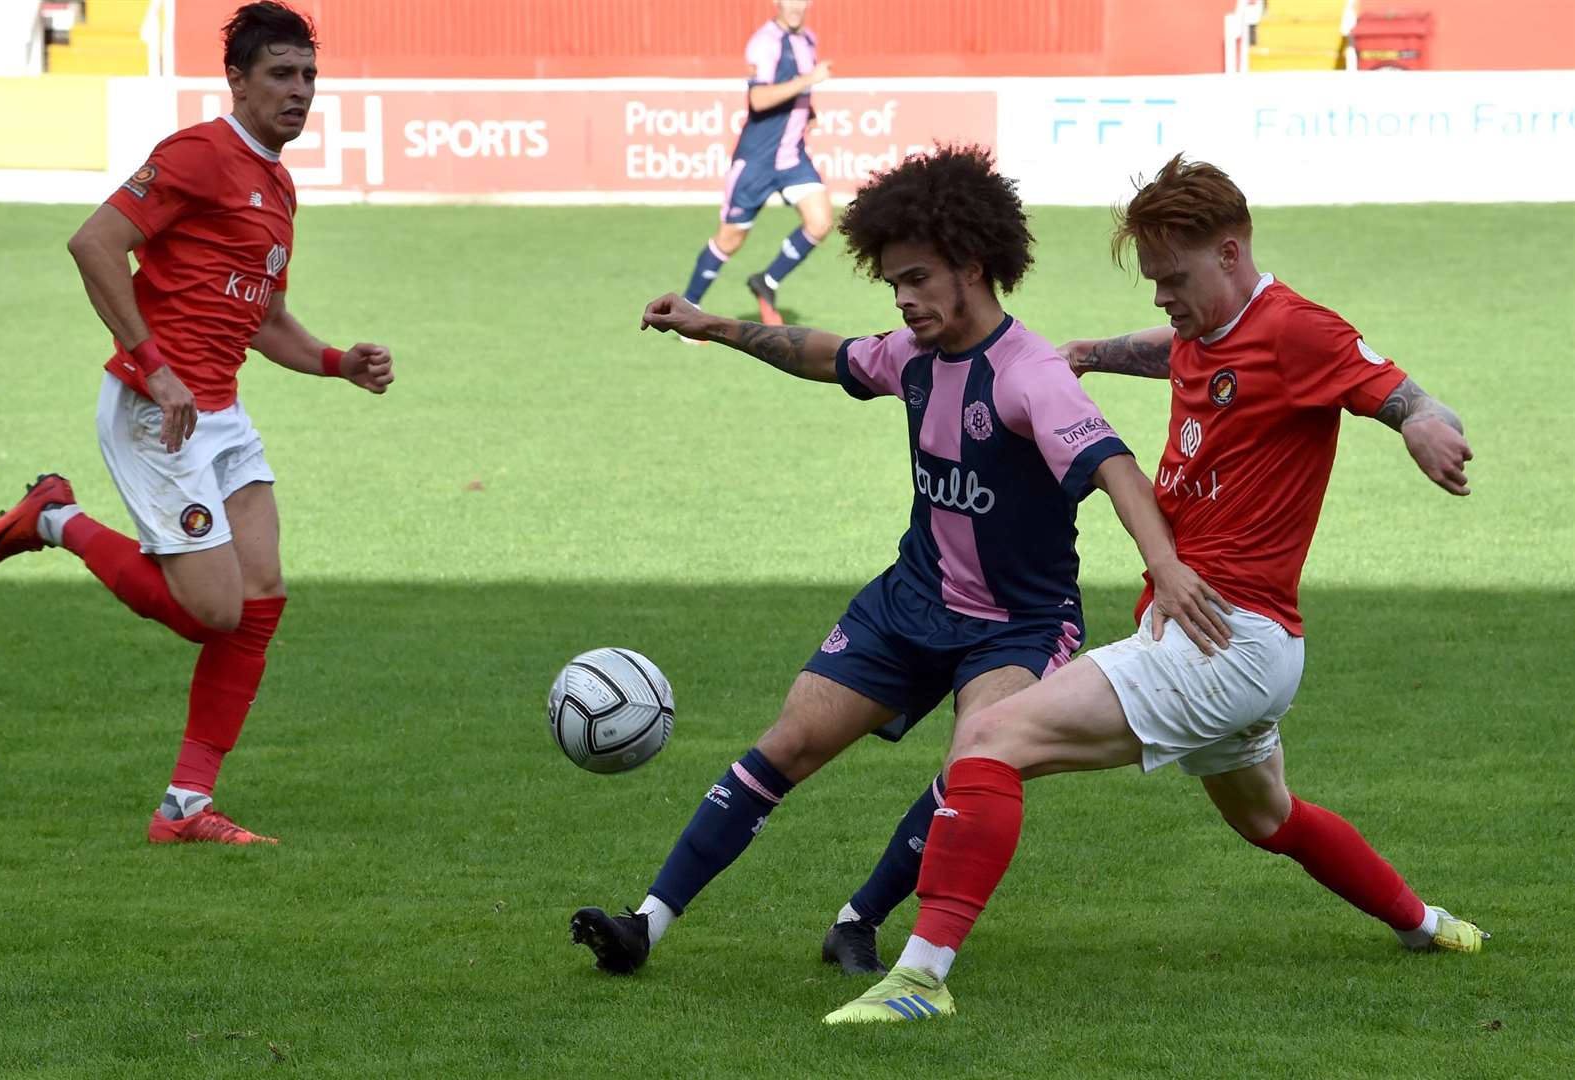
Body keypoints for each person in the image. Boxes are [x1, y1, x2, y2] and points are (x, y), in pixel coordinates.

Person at [824, 154, 1484, 1025]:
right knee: (1269, 818)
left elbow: (1404, 394)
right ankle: (1425, 923)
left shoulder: (1298, 330)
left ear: (1232, 252)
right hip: (1241, 643)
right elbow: (1173, 350)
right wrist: (1093, 353)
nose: (1162, 296)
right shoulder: (1209, 331)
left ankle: (918, 978)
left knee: (986, 739)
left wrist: (1428, 431)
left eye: (1173, 278)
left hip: (1222, 639)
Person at [571, 145, 1232, 976]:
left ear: (973, 264)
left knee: (977, 759)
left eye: (919, 278)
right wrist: (717, 327)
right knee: (790, 744)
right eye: (893, 284)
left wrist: (1163, 567)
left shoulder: (1033, 379)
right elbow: (828, 354)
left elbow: (1117, 470)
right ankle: (645, 923)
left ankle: (860, 919)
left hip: (1016, 627)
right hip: (912, 599)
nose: (904, 298)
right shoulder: (912, 357)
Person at [0, 1, 394, 845]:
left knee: (262, 596)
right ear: (235, 80)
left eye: (309, 75)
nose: (300, 90)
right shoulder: (198, 154)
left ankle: (186, 806)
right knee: (214, 611)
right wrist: (156, 368)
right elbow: (94, 244)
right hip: (152, 410)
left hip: (221, 414)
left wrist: (336, 361)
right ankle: (55, 516)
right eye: (280, 73)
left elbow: (265, 318)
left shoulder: (278, 186)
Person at [678, 0, 835, 326]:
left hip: (792, 157)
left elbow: (798, 89)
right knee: (730, 239)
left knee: (820, 222)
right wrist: (808, 80)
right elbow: (758, 99)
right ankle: (687, 308)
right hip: (756, 162)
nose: (795, 6)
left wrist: (810, 111)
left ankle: (768, 280)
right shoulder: (764, 42)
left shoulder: (808, 39)